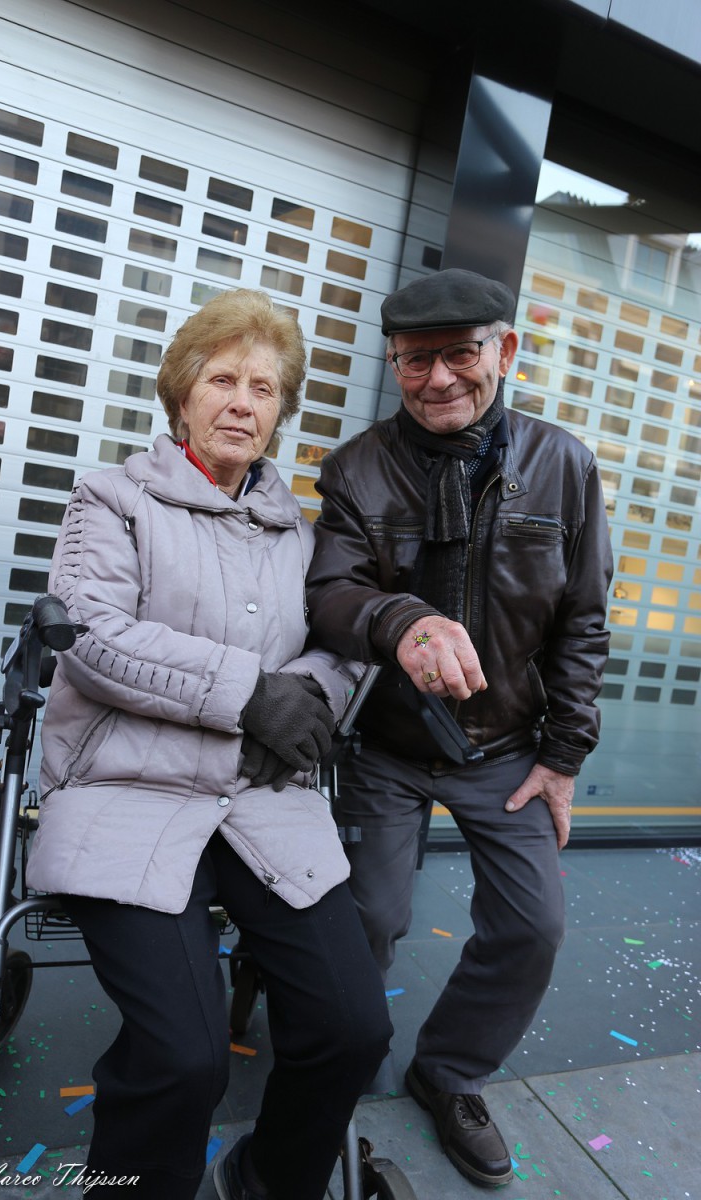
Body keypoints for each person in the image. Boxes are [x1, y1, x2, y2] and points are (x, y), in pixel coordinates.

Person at [25, 288, 392, 1200]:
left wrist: (306, 700)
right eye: (222, 380)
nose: (241, 403)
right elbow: (91, 634)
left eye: (263, 389)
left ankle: (265, 1180)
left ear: (280, 411)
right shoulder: (112, 500)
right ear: (182, 394)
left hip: (260, 798)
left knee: (354, 1030)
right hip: (127, 793)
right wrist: (250, 697)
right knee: (184, 1057)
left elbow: (343, 645)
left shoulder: (302, 535)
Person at [305, 268, 613, 1189]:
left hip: (507, 748)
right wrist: (402, 621)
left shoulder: (565, 465)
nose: (438, 378)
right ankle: (327, 1079)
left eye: (459, 354)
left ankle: (449, 1074)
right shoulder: (355, 469)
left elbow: (584, 619)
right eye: (415, 360)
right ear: (394, 363)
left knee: (532, 926)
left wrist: (564, 755)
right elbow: (330, 594)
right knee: (369, 918)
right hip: (387, 746)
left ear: (504, 351)